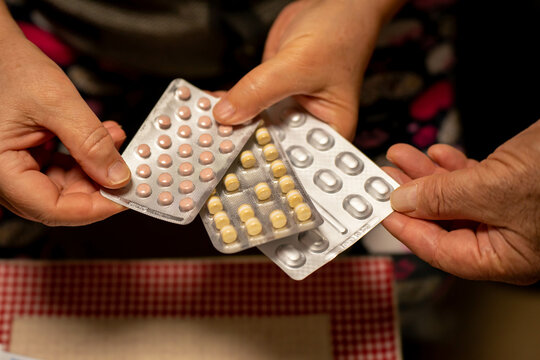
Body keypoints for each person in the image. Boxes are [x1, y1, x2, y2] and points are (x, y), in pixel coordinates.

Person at [1, 0, 538, 284]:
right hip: (63, 44)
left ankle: (401, 318)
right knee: (30, 203)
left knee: (409, 245)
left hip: (359, 38)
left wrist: (359, 8)